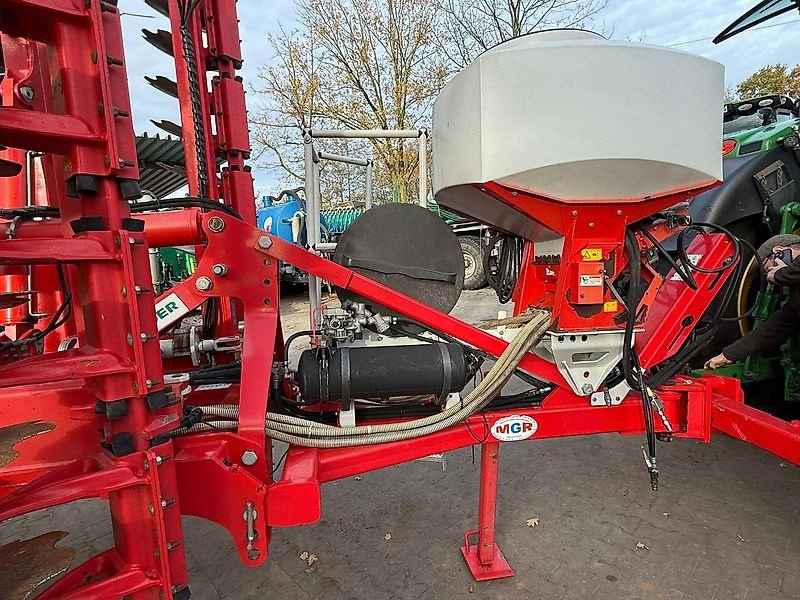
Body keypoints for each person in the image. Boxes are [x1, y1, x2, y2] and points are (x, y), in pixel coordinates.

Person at [705, 234, 800, 369]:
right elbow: (771, 331)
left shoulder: (786, 274)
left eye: (770, 268)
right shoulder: (795, 303)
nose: (771, 276)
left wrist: (780, 274)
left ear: (778, 252)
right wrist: (728, 355)